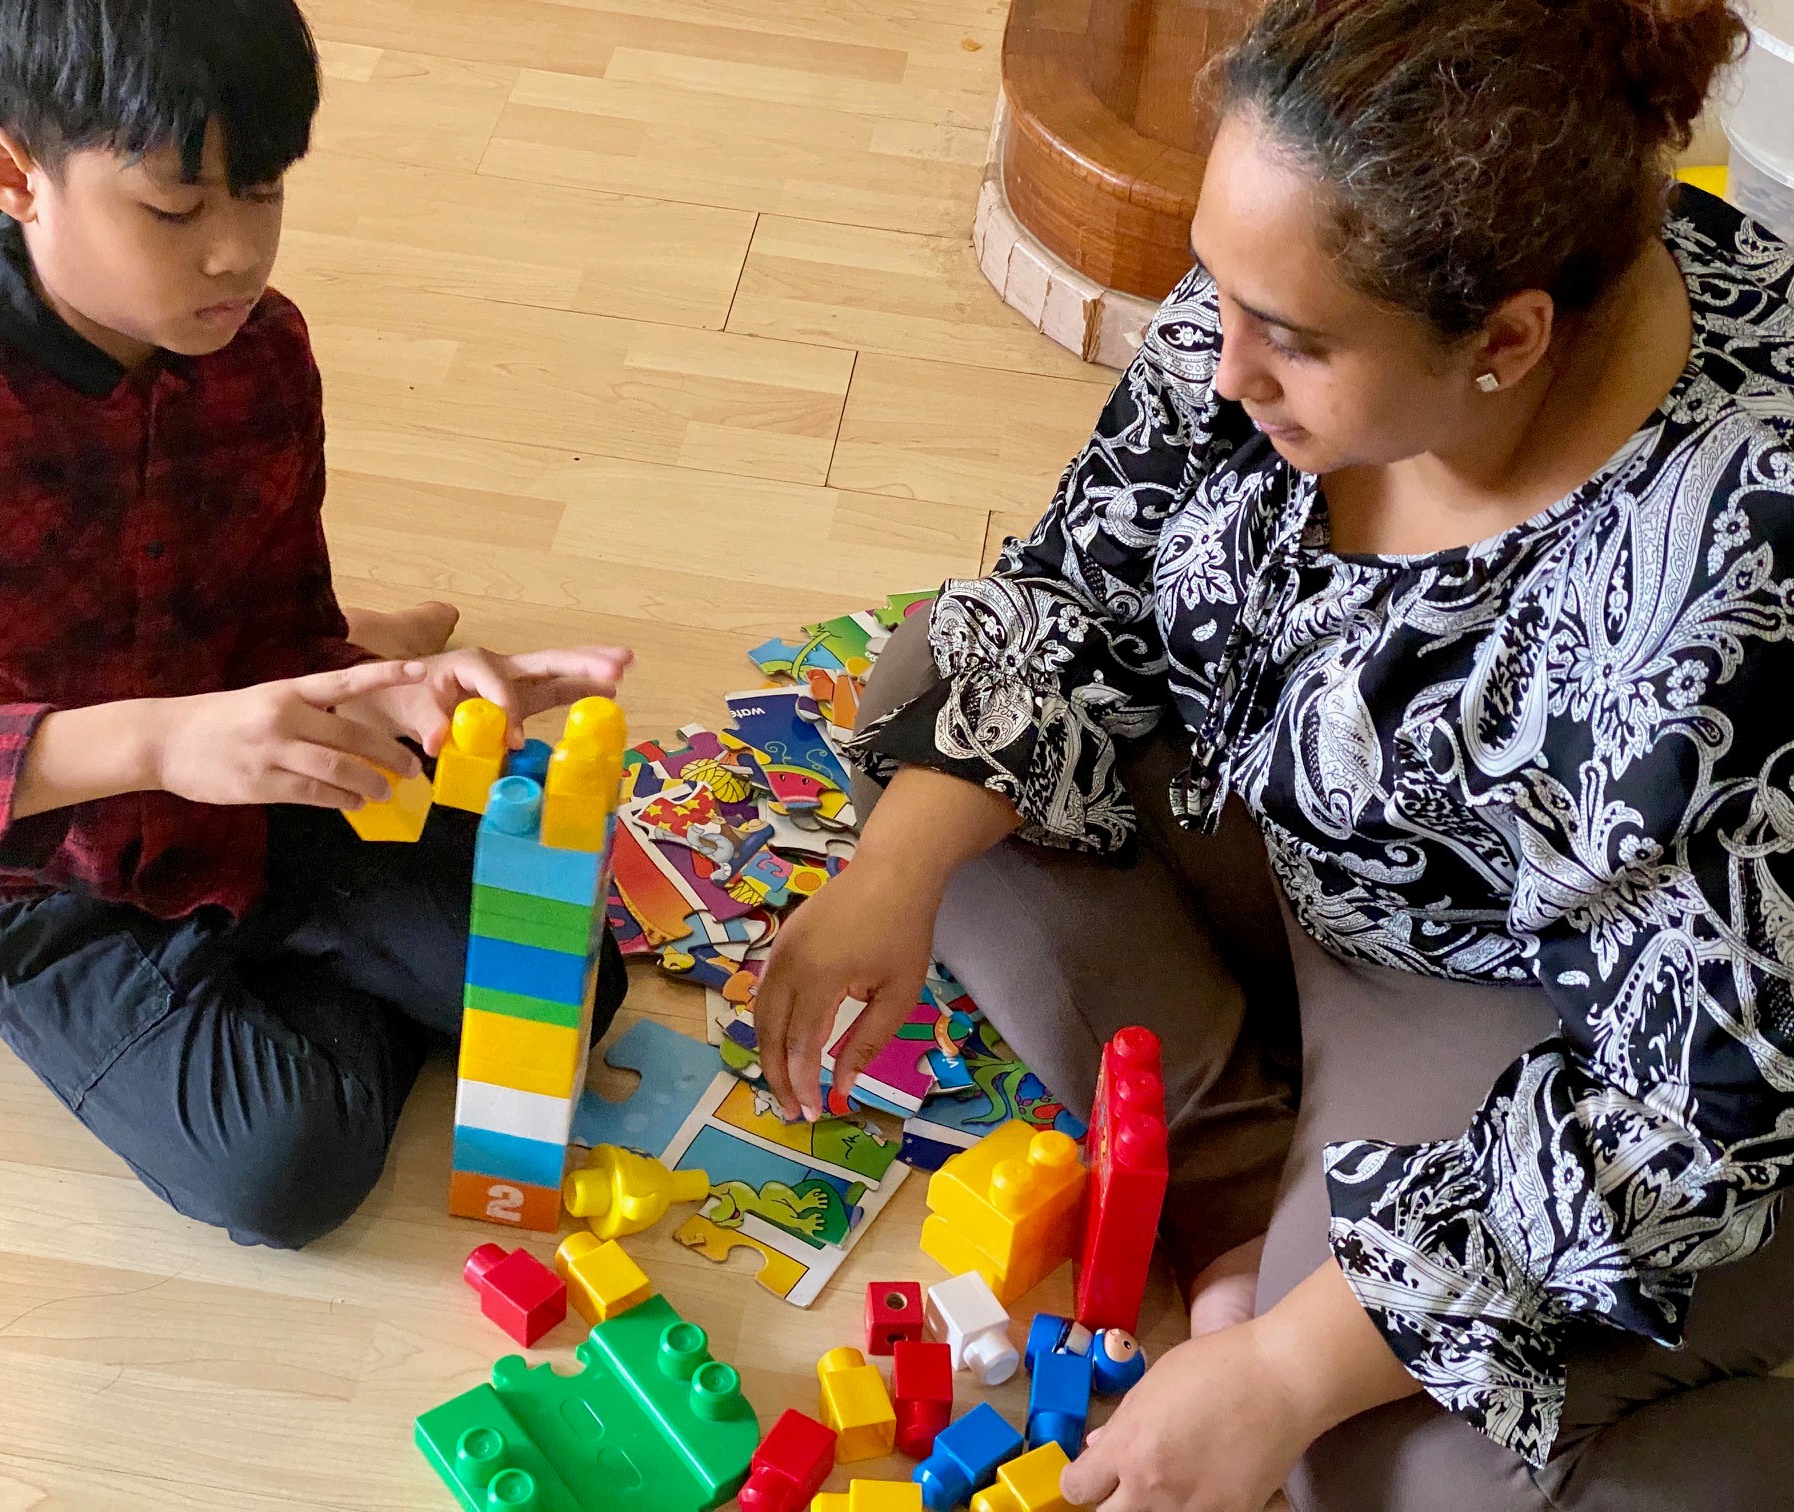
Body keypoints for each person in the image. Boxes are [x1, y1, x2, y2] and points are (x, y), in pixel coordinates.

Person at [756, 0, 1794, 1505]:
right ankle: (1247, 1195)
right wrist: (891, 878)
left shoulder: (1727, 588)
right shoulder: (1278, 299)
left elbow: (1688, 1115)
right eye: (1218, 289)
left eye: (1292, 342)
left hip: (1555, 1009)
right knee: (936, 701)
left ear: (1507, 337)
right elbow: (1079, 582)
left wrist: (1290, 1372)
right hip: (1314, 832)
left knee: (1375, 1465)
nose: (1222, 363)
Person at [0, 0, 632, 1251]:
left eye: (265, 192)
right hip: (31, 871)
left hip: (250, 773)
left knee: (574, 982)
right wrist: (163, 741)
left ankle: (262, 970)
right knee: (289, 1168)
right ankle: (263, 985)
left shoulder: (263, 350)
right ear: (13, 175)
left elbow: (282, 634)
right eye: (175, 211)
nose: (237, 254)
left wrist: (385, 689)